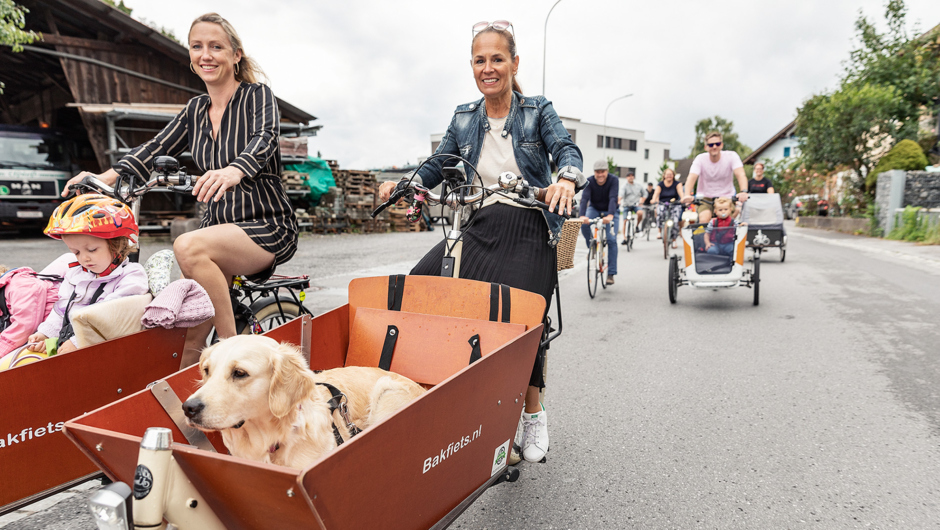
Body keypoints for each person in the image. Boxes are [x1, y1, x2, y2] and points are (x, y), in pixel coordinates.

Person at [377, 20, 584, 464]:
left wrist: (565, 179)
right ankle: (438, 393)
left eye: (497, 58)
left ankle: (532, 412)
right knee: (419, 285)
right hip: (479, 223)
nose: (488, 67)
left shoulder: (536, 109)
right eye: (479, 60)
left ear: (513, 63)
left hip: (530, 224)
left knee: (521, 312)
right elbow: (438, 163)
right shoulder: (464, 116)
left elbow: (566, 149)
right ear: (472, 65)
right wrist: (406, 182)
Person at [62, 13, 298, 365]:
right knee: (187, 340)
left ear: (235, 55)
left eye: (216, 46)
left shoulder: (256, 96)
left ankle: (232, 353)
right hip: (217, 227)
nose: (206, 55)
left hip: (266, 224)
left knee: (187, 246)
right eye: (197, 47)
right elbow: (156, 147)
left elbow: (265, 138)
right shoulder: (195, 110)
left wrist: (235, 170)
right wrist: (105, 176)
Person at [25, 195, 149, 357]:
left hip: (106, 350)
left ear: (117, 243)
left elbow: (112, 317)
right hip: (69, 343)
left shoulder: (131, 276)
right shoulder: (75, 276)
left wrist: (79, 341)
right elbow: (62, 310)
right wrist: (46, 333)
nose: (84, 258)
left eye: (92, 250)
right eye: (76, 252)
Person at [681, 131, 749, 223]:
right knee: (704, 219)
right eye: (711, 145)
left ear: (721, 145)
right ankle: (705, 237)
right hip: (705, 198)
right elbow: (692, 177)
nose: (714, 147)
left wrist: (743, 191)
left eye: (717, 144)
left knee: (726, 220)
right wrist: (687, 195)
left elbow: (740, 174)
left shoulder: (731, 156)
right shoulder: (700, 159)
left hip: (726, 196)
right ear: (706, 147)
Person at [580, 160, 619, 284]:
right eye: (597, 172)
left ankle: (611, 274)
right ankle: (592, 247)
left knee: (611, 239)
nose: (600, 174)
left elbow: (613, 198)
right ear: (594, 172)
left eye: (603, 172)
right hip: (595, 208)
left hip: (610, 211)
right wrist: (582, 216)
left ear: (607, 171)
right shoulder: (589, 181)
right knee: (584, 224)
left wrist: (611, 215)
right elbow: (584, 198)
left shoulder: (613, 180)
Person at [650, 168, 685, 244]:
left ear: (673, 175)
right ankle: (659, 231)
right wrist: (653, 199)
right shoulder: (660, 184)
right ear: (664, 176)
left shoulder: (677, 184)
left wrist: (683, 198)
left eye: (671, 174)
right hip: (663, 203)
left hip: (674, 204)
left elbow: (680, 192)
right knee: (659, 214)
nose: (669, 176)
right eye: (667, 174)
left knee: (675, 221)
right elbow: (656, 193)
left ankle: (674, 240)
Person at [619, 172, 646, 243]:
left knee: (640, 213)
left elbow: (645, 193)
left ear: (634, 177)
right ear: (626, 178)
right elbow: (620, 194)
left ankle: (637, 226)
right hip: (626, 205)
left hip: (636, 205)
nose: (630, 177)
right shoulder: (624, 186)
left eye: (632, 176)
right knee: (625, 221)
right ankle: (624, 238)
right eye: (629, 176)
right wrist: (618, 200)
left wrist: (642, 200)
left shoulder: (638, 185)